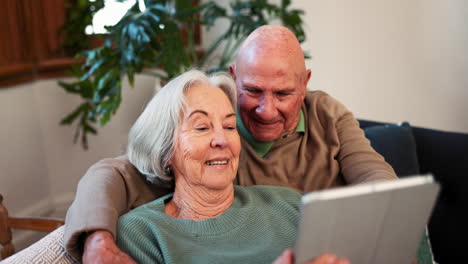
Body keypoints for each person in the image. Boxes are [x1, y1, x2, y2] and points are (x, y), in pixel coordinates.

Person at [64, 25, 397, 262]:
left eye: (282, 94)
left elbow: (381, 186)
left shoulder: (324, 124)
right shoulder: (218, 108)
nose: (266, 111)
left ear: (305, 83)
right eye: (252, 91)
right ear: (235, 76)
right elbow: (115, 173)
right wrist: (96, 238)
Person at [114, 69, 349, 264]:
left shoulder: (290, 204)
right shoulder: (142, 233)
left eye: (229, 126)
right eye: (202, 127)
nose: (222, 140)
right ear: (164, 149)